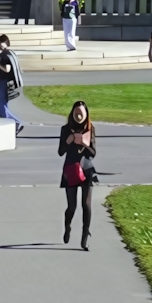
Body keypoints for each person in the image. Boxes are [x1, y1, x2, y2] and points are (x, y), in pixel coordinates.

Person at [58, 100, 97, 250]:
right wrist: (68, 141)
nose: (79, 116)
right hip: (70, 171)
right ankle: (67, 226)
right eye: (77, 113)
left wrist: (85, 143)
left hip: (87, 170)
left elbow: (93, 153)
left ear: (86, 114)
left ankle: (85, 236)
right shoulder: (65, 129)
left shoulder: (90, 129)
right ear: (73, 113)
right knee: (72, 206)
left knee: (86, 205)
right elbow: (60, 152)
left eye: (81, 113)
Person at [0, 34, 25, 134]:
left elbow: (7, 69)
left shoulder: (5, 55)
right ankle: (13, 124)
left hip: (4, 82)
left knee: (1, 106)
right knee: (2, 106)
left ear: (5, 42)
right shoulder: (9, 53)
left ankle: (15, 123)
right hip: (6, 82)